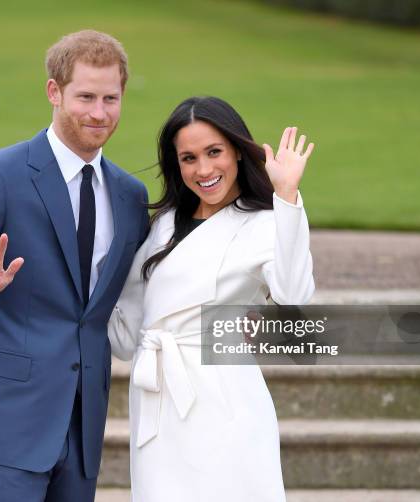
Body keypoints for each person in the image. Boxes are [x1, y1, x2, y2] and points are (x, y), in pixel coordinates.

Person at [0, 30, 149, 502]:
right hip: (9, 417)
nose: (99, 112)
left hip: (84, 422)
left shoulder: (130, 196)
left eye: (111, 98)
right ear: (54, 92)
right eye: (85, 96)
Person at [108, 96, 315, 501]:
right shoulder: (163, 225)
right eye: (188, 158)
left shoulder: (267, 222)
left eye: (214, 152)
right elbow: (125, 335)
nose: (203, 170)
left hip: (225, 398)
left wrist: (287, 196)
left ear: (237, 150)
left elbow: (294, 294)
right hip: (157, 398)